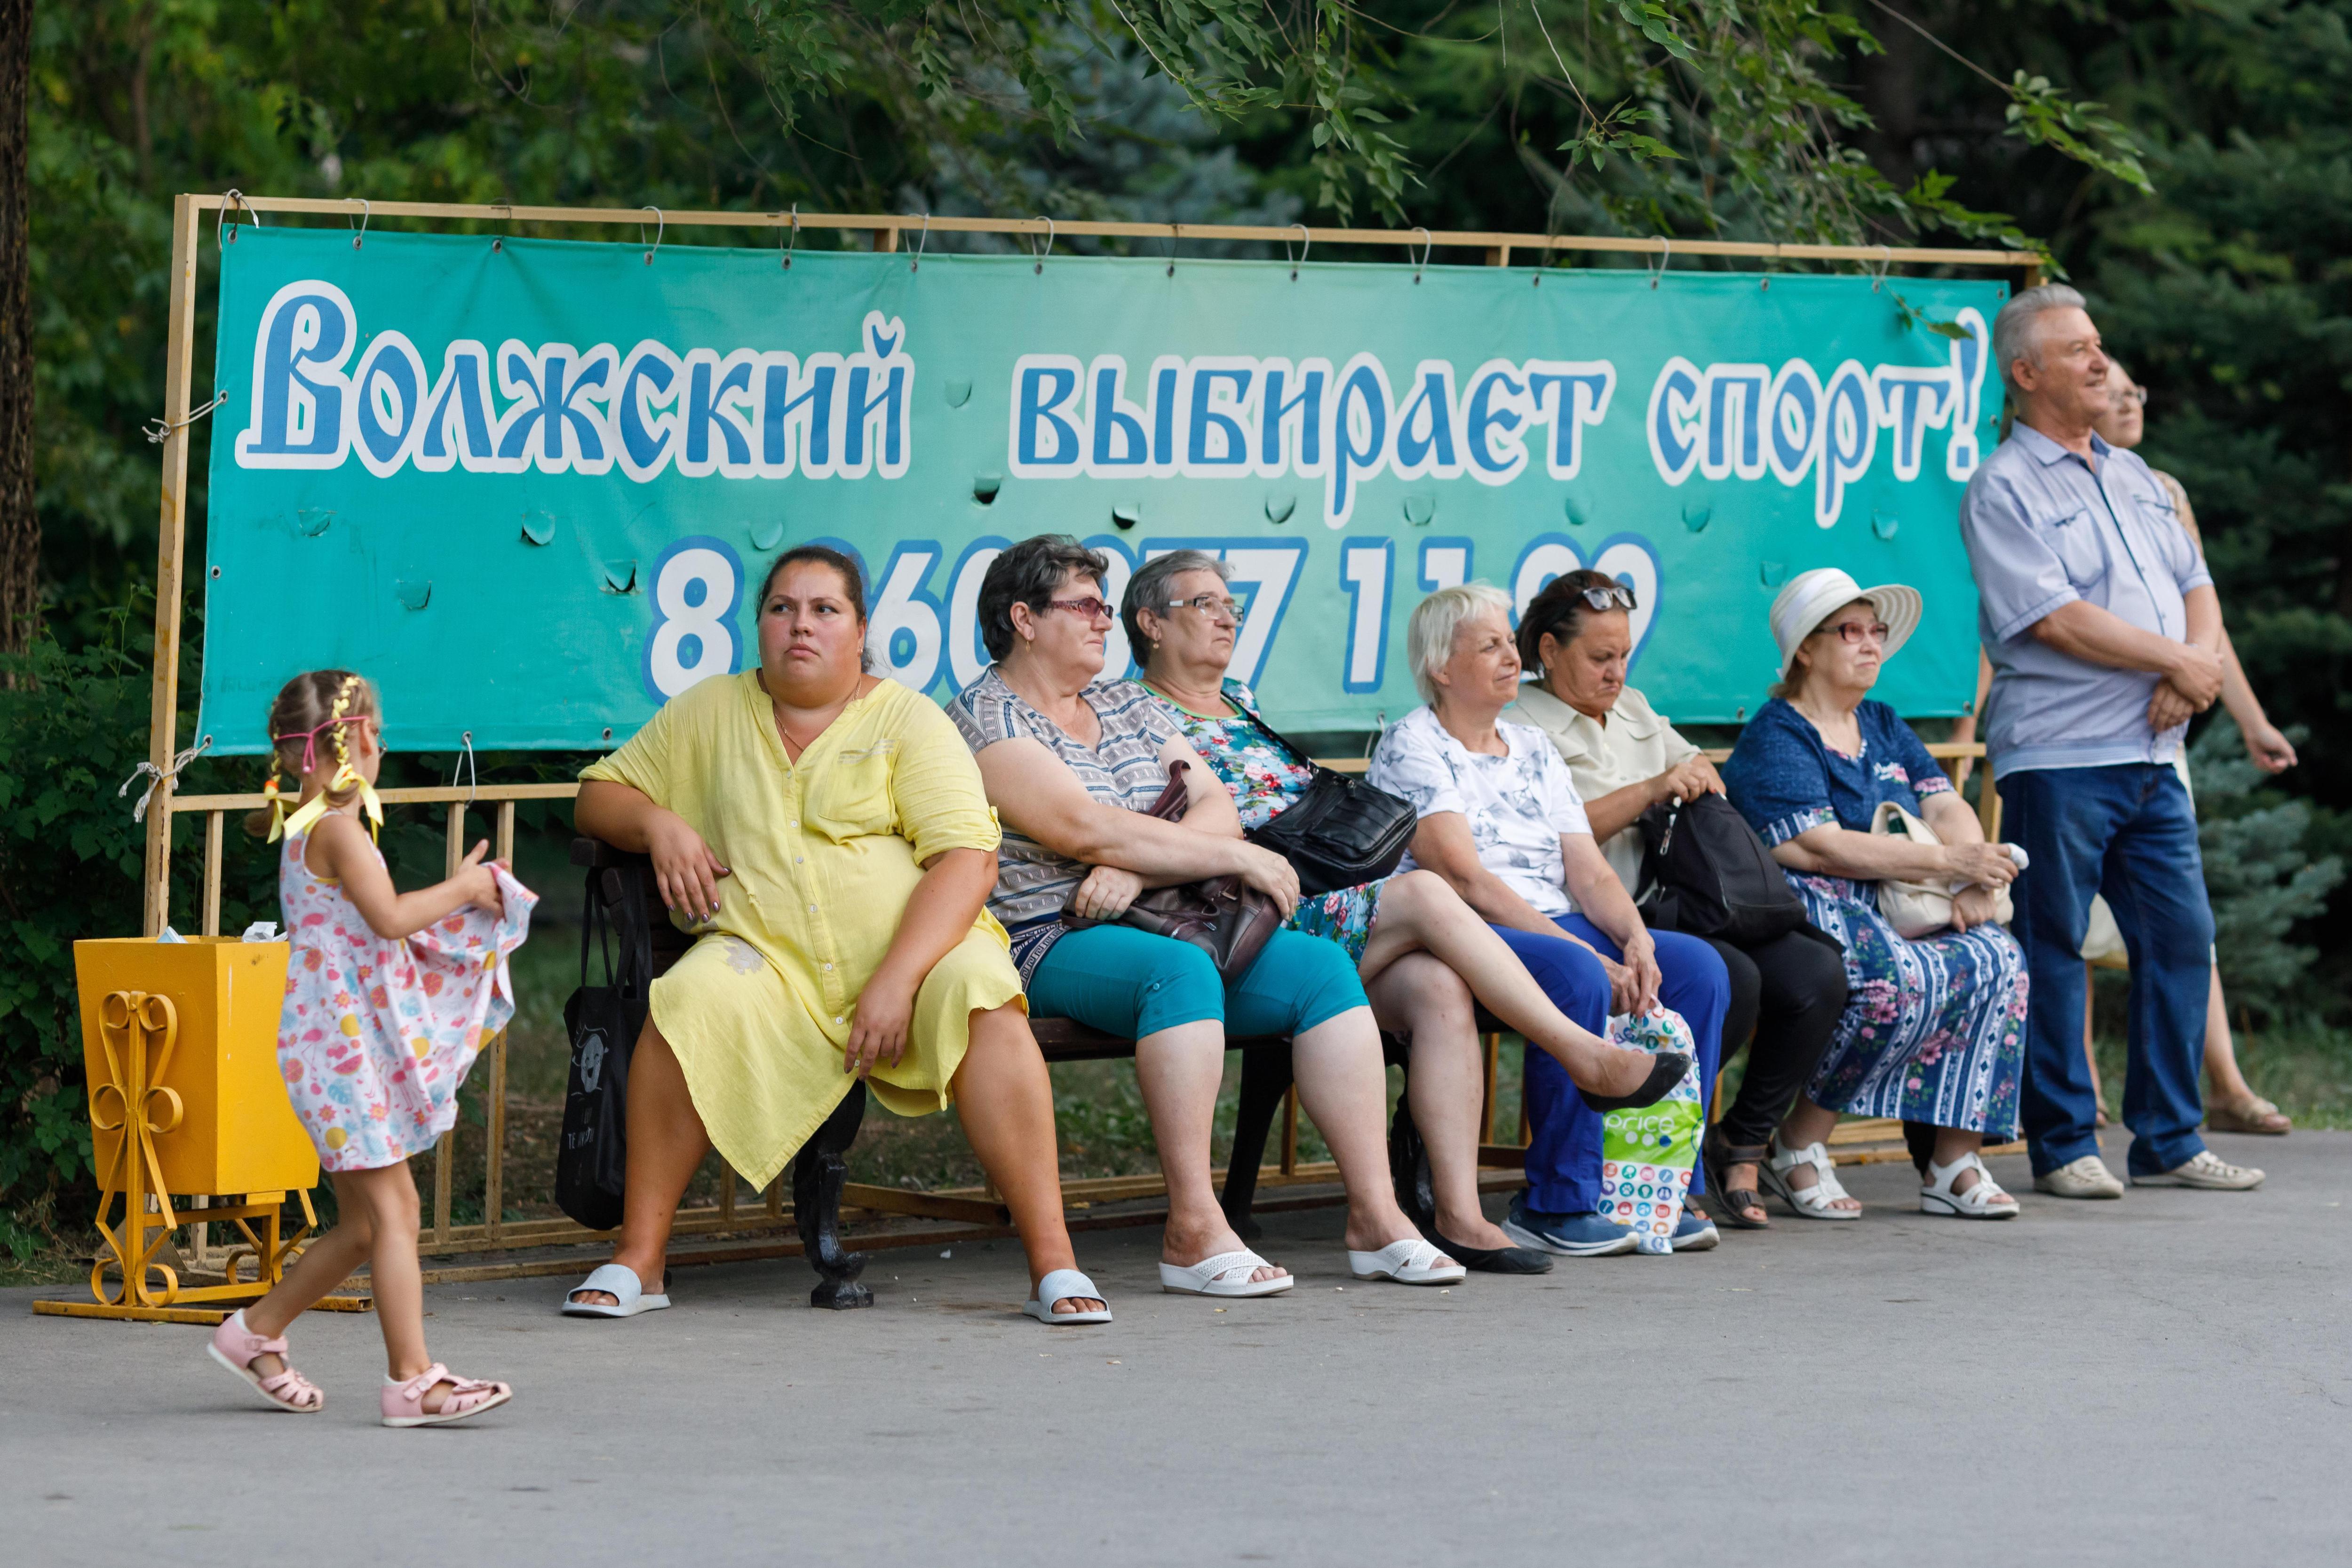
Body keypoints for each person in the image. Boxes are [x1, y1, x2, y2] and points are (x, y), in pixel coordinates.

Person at [951, 534, 1525, 1295]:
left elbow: (1217, 803)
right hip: (1056, 932)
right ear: (1023, 618)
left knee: (1319, 969)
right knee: (1178, 971)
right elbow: (1078, 829)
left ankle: (1377, 1216)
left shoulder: (1124, 702)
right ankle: (1193, 1225)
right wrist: (1240, 858)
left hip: (1172, 915)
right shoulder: (987, 716)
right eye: (1084, 604)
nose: (1102, 620)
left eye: (1101, 604)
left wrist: (1152, 863)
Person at [564, 546, 1110, 1325]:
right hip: (769, 959)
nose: (801, 626)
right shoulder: (710, 710)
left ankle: (1054, 1260)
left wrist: (895, 979)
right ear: (758, 626)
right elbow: (597, 796)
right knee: (689, 998)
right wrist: (657, 823)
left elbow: (967, 859)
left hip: (917, 961)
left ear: (861, 629)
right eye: (782, 607)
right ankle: (639, 1259)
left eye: (825, 610)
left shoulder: (905, 716)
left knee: (982, 994)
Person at [1127, 551, 1688, 1271]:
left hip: (1312, 904)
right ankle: (1586, 1056)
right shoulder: (1135, 710)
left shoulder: (1240, 699)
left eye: (1231, 604)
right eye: (1205, 604)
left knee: (1438, 987)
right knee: (1428, 890)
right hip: (1236, 915)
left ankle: (1457, 1213)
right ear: (1150, 622)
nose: (1228, 616)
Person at [1960, 283, 2264, 1197]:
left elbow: (2196, 581)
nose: (2102, 361)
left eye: (2100, 343)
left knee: (2180, 940)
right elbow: (2051, 618)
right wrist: (2179, 662)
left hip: (2153, 757)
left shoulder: (2136, 476)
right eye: (2079, 349)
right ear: (2026, 373)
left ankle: (2169, 1135)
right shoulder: (2002, 485)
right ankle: (2063, 1145)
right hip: (2059, 754)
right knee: (2054, 942)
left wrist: (2193, 667)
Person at [208, 670, 532, 1426]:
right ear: (344, 742)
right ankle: (412, 1381)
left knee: (367, 1222)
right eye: (376, 733)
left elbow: (370, 930)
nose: (383, 746)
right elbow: (389, 918)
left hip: (330, 1048)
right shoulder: (335, 828)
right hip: (336, 1054)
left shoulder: (313, 822)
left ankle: (252, 1332)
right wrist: (469, 887)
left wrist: (459, 888)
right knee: (394, 1215)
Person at [1367, 584, 1728, 1256]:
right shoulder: (1413, 743)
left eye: (1511, 642)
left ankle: (1660, 1188)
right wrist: (1584, 951)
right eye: (1491, 646)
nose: (1513, 657)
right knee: (1573, 972)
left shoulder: (1533, 745)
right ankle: (1558, 1202)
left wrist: (1634, 936)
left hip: (1550, 916)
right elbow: (1464, 879)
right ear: (1444, 668)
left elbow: (1588, 871)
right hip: (1467, 929)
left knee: (1697, 970)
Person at [1507, 569, 1849, 1230]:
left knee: (1815, 972)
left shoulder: (1633, 707)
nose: (1616, 671)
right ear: (1548, 651)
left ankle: (1711, 1150)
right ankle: (1623, 1159)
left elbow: (1699, 773)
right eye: (1599, 657)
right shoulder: (1523, 725)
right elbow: (1554, 837)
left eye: (1624, 654)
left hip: (1671, 903)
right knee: (1731, 976)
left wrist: (1682, 782)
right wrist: (1651, 791)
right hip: (1577, 908)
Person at [1722, 569, 2031, 1219]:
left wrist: (1973, 872)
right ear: (1806, 647)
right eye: (1850, 631)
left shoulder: (1883, 722)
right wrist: (1950, 863)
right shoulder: (1780, 733)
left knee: (2002, 959)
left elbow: (1945, 803)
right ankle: (1798, 1144)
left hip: (1904, 893)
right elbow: (1820, 846)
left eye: (1876, 631)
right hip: (1813, 899)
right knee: (1894, 979)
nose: (1870, 645)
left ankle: (1952, 1161)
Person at [2090, 358, 2297, 1136]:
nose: (2129, 401)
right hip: (2079, 731)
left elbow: (2200, 612)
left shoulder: (2162, 490)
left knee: (2183, 919)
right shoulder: (2037, 489)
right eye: (2113, 390)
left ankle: (2225, 1084)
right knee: (2069, 919)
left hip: (2160, 732)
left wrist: (2241, 712)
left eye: (2138, 390)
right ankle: (2082, 1096)